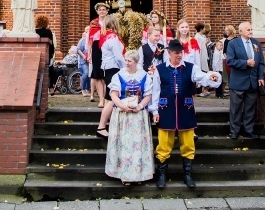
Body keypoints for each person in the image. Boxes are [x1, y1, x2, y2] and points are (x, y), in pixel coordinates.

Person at [152, 39, 221, 189]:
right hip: (166, 110)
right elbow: (155, 92)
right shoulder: (160, 69)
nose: (179, 55)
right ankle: (162, 175)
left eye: (181, 52)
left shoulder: (191, 68)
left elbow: (202, 77)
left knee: (188, 144)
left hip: (185, 110)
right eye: (176, 53)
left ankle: (188, 174)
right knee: (163, 145)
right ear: (169, 53)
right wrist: (155, 111)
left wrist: (211, 77)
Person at [105, 50, 155, 184]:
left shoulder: (144, 76)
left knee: (137, 144)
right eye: (126, 60)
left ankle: (139, 175)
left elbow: (148, 95)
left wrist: (139, 107)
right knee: (124, 144)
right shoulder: (119, 75)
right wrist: (122, 106)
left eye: (130, 61)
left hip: (138, 115)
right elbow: (114, 94)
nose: (127, 63)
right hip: (123, 114)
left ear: (136, 62)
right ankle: (124, 175)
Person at [226, 21, 265, 140]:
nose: (251, 31)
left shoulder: (256, 43)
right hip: (238, 81)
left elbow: (261, 62)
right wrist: (245, 63)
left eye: (251, 29)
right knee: (236, 108)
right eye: (248, 29)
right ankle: (234, 131)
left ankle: (249, 130)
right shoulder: (233, 44)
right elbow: (230, 61)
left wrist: (260, 77)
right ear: (241, 31)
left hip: (252, 81)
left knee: (250, 108)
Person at [95, 15, 126, 138]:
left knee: (109, 98)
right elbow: (118, 56)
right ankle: (101, 127)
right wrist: (125, 68)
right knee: (113, 98)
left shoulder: (106, 37)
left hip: (107, 69)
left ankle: (107, 125)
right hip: (113, 69)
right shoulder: (113, 38)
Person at [88, 2, 109, 106]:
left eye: (104, 10)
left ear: (107, 11)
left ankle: (106, 98)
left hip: (108, 47)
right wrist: (89, 53)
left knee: (107, 75)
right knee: (97, 75)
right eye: (100, 10)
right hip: (97, 48)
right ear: (97, 11)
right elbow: (90, 40)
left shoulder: (110, 22)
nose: (102, 11)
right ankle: (101, 99)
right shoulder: (93, 23)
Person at [35, 14, 59, 88]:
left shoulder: (34, 31)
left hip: (36, 52)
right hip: (46, 53)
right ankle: (50, 86)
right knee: (49, 70)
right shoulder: (48, 32)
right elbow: (51, 44)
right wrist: (51, 55)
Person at [194, 22, 212, 96]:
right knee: (200, 71)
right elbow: (198, 47)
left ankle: (203, 89)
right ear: (201, 29)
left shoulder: (202, 36)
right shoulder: (197, 37)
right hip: (200, 56)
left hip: (204, 55)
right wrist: (204, 43)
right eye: (204, 28)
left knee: (204, 71)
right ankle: (199, 90)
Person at [77, 26, 91, 97]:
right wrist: (84, 56)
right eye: (86, 31)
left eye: (89, 30)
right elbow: (78, 49)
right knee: (86, 73)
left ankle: (88, 89)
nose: (88, 32)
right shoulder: (82, 40)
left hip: (90, 60)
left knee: (89, 75)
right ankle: (83, 89)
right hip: (83, 61)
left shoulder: (92, 39)